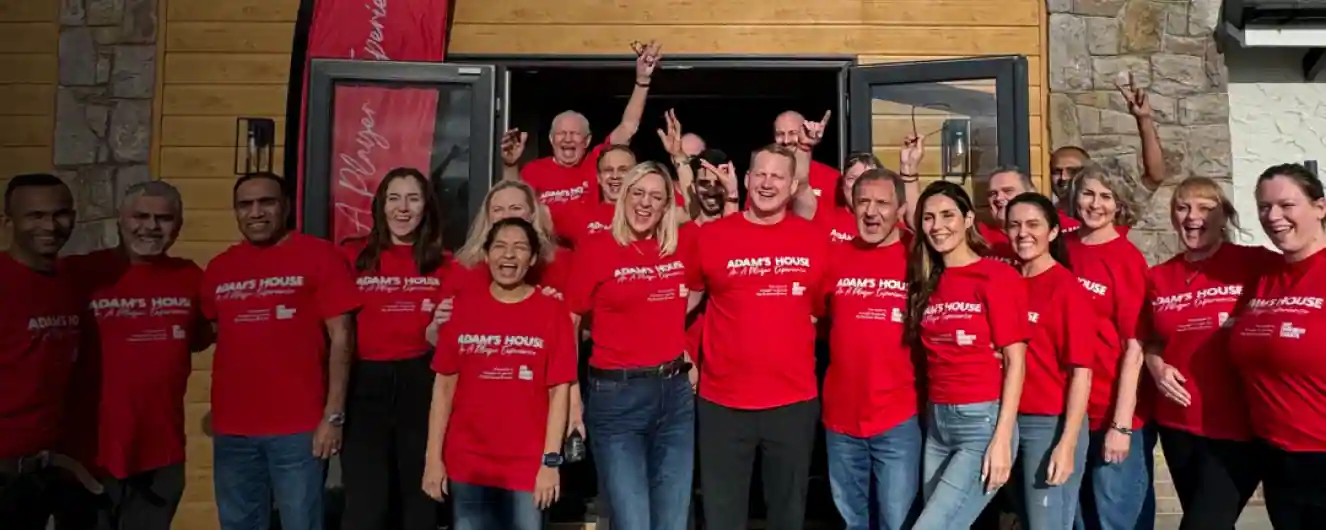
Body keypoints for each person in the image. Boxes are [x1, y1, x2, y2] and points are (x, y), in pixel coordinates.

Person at [200, 172, 359, 530]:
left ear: (286, 206)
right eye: (245, 205)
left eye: (266, 202)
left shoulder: (320, 256)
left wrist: (333, 416)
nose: (255, 212)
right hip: (233, 431)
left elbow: (342, 337)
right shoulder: (219, 268)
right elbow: (207, 333)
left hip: (299, 430)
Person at [688, 144, 831, 530]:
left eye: (777, 176)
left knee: (787, 516)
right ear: (747, 180)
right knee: (723, 517)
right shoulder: (711, 236)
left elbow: (822, 310)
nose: (768, 184)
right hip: (723, 404)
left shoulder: (815, 239)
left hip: (792, 403)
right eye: (761, 175)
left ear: (793, 185)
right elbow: (684, 305)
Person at [71, 181, 211, 530]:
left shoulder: (190, 277)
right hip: (88, 454)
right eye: (140, 216)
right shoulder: (79, 274)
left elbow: (207, 335)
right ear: (120, 219)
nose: (151, 226)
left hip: (160, 453)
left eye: (164, 218)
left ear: (178, 225)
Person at [422, 217, 576, 530]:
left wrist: (550, 462)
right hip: (468, 466)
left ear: (532, 258)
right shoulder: (463, 308)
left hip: (526, 469)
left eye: (519, 248)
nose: (508, 255)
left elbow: (559, 391)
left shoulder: (551, 312)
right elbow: (443, 389)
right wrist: (432, 459)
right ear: (486, 253)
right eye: (500, 247)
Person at [567, 161, 696, 530]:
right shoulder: (596, 249)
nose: (645, 203)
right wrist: (572, 400)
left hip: (674, 395)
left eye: (655, 196)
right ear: (623, 196)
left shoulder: (680, 246)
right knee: (632, 520)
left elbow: (701, 284)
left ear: (667, 205)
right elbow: (570, 322)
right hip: (616, 397)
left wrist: (679, 344)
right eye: (637, 193)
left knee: (672, 521)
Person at [1141, 176, 1269, 530]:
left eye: (1205, 208)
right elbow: (1152, 339)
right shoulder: (1160, 276)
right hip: (1177, 424)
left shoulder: (1254, 263)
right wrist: (1156, 366)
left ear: (1224, 215)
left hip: (1237, 427)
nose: (1192, 216)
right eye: (1182, 208)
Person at [904, 181, 1027, 529]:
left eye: (948, 215)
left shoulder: (995, 276)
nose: (937, 226)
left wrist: (1002, 439)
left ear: (968, 219)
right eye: (928, 218)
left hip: (981, 421)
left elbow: (1016, 361)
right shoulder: (929, 280)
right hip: (938, 423)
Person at [338, 168, 449, 530]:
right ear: (380, 206)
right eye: (394, 198)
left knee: (419, 500)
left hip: (421, 380)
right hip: (364, 383)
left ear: (426, 207)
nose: (403, 208)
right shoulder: (352, 255)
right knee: (366, 504)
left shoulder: (445, 263)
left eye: (413, 199)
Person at [821, 168, 920, 530]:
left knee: (897, 522)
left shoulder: (917, 257)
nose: (872, 212)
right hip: (841, 418)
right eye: (863, 201)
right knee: (853, 523)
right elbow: (817, 319)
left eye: (882, 203)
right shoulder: (834, 257)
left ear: (900, 209)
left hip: (897, 416)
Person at [1230, 163, 1326, 529]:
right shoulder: (1264, 276)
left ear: (1320, 207)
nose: (1273, 217)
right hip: (1277, 458)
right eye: (1264, 207)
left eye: (1287, 205)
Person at [1061, 164, 1151, 530]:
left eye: (1106, 196)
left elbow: (1135, 348)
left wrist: (1122, 425)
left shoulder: (1126, 259)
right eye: (1088, 194)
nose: (1095, 204)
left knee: (1114, 519)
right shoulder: (1061, 248)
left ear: (1119, 204)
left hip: (1108, 410)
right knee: (1077, 519)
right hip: (1066, 410)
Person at [0, 174, 90, 528]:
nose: (50, 226)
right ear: (8, 221)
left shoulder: (71, 283)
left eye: (60, 214)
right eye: (35, 215)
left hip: (49, 469)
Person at [1003, 192, 1095, 530]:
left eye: (1033, 224)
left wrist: (1067, 443)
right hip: (1007, 421)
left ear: (1053, 232)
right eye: (1014, 225)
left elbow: (1082, 373)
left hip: (1048, 424)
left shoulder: (1066, 288)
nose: (1023, 233)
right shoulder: (1006, 282)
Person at [502, 41, 660, 235]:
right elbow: (514, 205)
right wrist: (510, 165)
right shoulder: (534, 170)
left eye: (575, 134)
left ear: (587, 141)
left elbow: (628, 127)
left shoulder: (597, 162)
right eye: (561, 134)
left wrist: (642, 81)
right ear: (551, 139)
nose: (568, 139)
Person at [448, 180, 571, 295]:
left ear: (533, 214)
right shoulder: (463, 268)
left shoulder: (562, 263)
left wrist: (557, 304)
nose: (507, 216)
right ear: (488, 217)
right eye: (498, 210)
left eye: (516, 208)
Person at [817, 143, 922, 245]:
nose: (859, 185)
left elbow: (919, 225)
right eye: (852, 178)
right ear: (842, 183)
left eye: (867, 179)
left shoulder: (893, 226)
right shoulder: (825, 218)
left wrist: (908, 171)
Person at [980, 167, 1080, 263]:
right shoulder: (977, 235)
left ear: (1030, 192)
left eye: (1008, 191)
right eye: (992, 194)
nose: (998, 198)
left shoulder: (1068, 228)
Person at [773, 110, 842, 214]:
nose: (786, 141)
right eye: (780, 134)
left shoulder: (832, 177)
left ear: (805, 132)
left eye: (793, 133)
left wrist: (805, 146)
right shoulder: (765, 176)